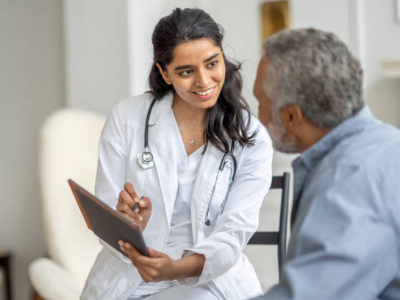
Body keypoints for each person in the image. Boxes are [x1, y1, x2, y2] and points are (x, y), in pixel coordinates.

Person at [81, 7, 273, 300]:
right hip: (131, 276)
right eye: (186, 71)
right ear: (164, 73)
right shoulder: (127, 118)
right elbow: (106, 214)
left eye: (212, 63)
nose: (204, 81)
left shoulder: (252, 137)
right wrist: (128, 225)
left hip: (207, 279)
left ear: (222, 56)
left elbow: (233, 233)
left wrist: (175, 268)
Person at [252, 28, 400, 299]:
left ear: (291, 117)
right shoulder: (389, 142)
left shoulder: (349, 180)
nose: (257, 117)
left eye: (260, 103)